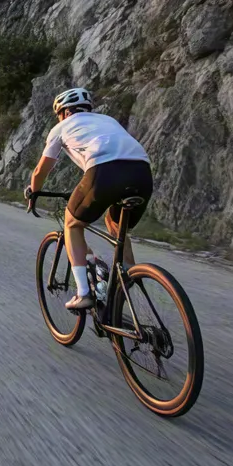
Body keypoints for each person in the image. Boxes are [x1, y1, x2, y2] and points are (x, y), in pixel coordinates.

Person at [25, 88, 154, 310]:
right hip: (142, 172)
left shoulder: (61, 127)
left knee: (72, 223)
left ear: (64, 112)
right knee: (114, 223)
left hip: (104, 171)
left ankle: (83, 293)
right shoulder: (108, 120)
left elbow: (40, 171)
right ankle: (128, 273)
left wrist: (33, 192)